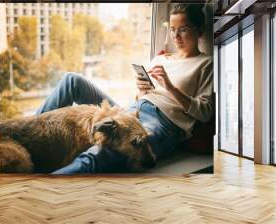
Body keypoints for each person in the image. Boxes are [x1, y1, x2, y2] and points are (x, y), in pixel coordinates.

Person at [35, 4, 213, 174]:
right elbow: (140, 98)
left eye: (183, 29)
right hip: (129, 112)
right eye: (172, 29)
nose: (176, 36)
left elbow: (205, 113)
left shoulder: (205, 64)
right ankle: (30, 135)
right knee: (71, 80)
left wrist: (170, 87)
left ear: (199, 30)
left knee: (99, 154)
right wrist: (142, 91)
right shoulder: (162, 59)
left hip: (163, 124)